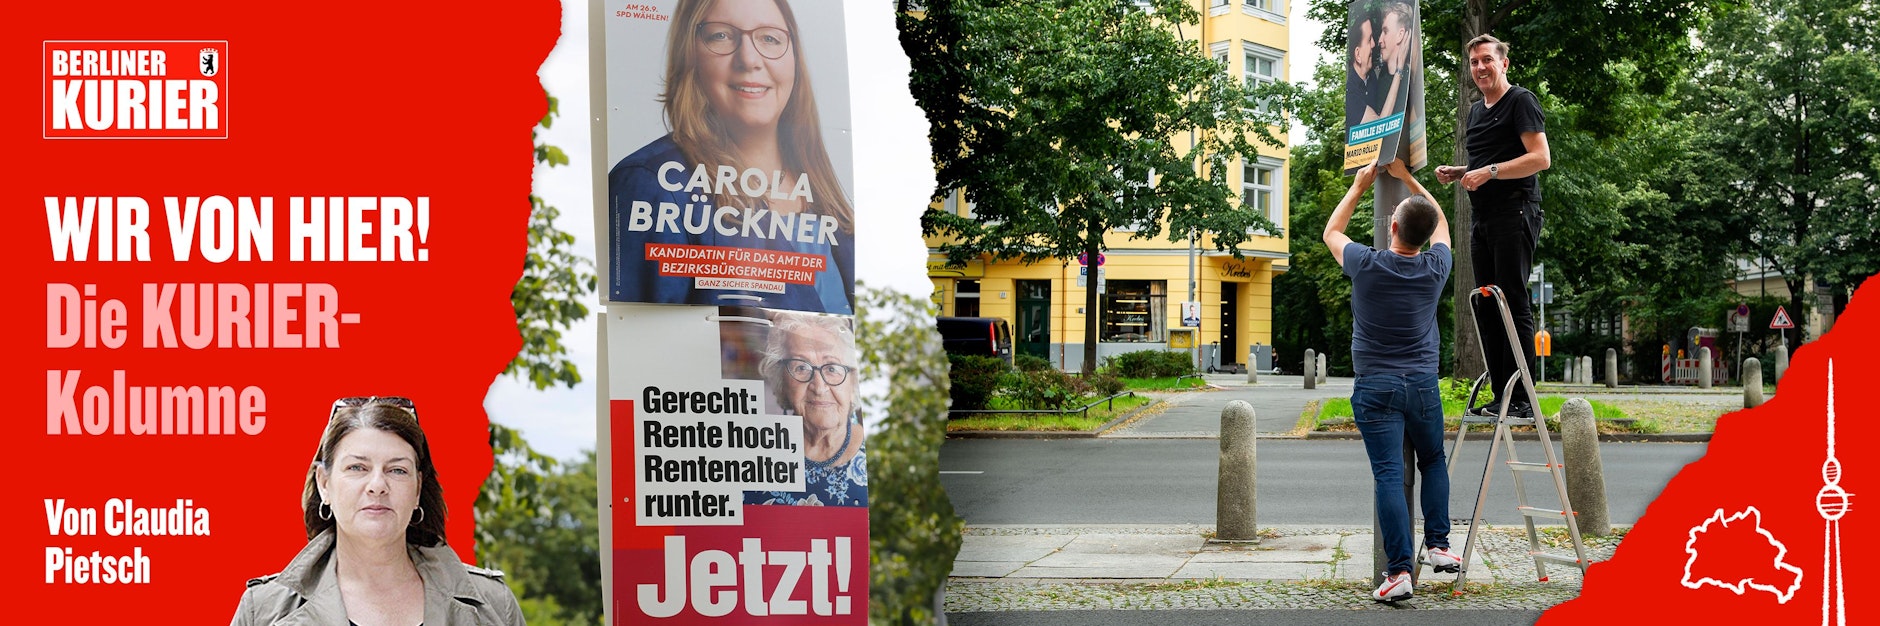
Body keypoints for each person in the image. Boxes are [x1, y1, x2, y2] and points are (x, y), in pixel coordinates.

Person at [608, 0, 855, 314]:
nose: (749, 59)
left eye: (770, 38)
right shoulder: (652, 185)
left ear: (794, 58)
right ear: (690, 54)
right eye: (721, 36)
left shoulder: (829, 203)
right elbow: (642, 347)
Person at [231, 397, 524, 626]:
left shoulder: (494, 606)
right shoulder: (264, 610)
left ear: (417, 489)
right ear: (324, 485)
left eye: (397, 470)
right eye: (357, 467)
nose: (377, 485)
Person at [1322, 160, 1463, 602]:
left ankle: (1399, 572)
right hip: (1422, 383)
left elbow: (1331, 231)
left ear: (1393, 228)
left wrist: (1362, 185)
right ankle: (1439, 547)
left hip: (1376, 386)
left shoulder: (1366, 263)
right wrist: (1407, 179)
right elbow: (1438, 217)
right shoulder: (1437, 266)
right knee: (1433, 461)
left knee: (1388, 476)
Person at [1434, 34, 1550, 418]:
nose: (1480, 68)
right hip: (1483, 217)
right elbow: (1489, 163)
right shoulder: (1475, 111)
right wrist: (1462, 171)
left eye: (1487, 60)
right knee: (1486, 303)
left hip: (1515, 212)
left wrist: (1490, 171)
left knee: (1512, 300)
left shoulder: (1521, 101)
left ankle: (1523, 399)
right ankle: (1501, 394)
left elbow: (1539, 158)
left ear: (1504, 64)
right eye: (1474, 62)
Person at [746, 311, 867, 507]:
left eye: (832, 368)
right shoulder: (756, 459)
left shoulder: (877, 456)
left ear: (853, 381)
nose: (819, 388)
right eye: (801, 367)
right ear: (781, 381)